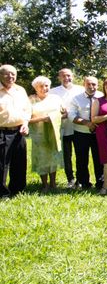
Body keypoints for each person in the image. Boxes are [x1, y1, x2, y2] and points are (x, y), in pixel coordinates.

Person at [0, 64, 31, 197]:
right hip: (2, 131)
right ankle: (2, 193)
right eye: (7, 74)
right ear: (0, 75)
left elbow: (27, 109)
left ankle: (18, 190)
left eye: (13, 74)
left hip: (19, 131)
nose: (10, 77)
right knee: (2, 164)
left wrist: (25, 123)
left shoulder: (20, 90)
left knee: (19, 162)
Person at [50, 68, 84, 187]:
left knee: (80, 155)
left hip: (79, 127)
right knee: (66, 155)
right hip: (63, 128)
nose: (66, 78)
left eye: (68, 76)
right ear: (59, 78)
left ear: (73, 76)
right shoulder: (53, 92)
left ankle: (80, 180)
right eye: (63, 76)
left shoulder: (81, 90)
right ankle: (70, 179)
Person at [68, 76, 104, 190]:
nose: (91, 87)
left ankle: (100, 183)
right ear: (84, 85)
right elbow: (71, 115)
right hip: (81, 133)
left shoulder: (102, 97)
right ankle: (84, 183)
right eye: (88, 84)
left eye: (94, 84)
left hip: (99, 133)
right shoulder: (76, 99)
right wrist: (86, 123)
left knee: (99, 159)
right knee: (81, 159)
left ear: (97, 85)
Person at [28, 76, 63, 192]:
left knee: (53, 157)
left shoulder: (56, 98)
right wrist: (43, 118)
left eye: (46, 86)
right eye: (41, 86)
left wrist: (54, 117)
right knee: (42, 158)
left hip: (54, 133)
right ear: (35, 88)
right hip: (38, 134)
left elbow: (65, 114)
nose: (44, 88)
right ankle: (44, 185)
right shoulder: (30, 100)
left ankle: (53, 183)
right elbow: (26, 119)